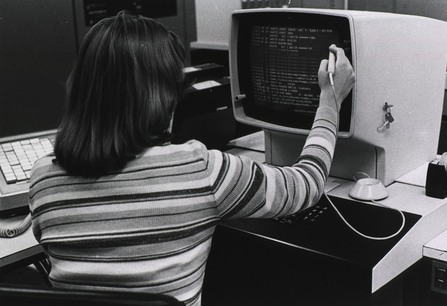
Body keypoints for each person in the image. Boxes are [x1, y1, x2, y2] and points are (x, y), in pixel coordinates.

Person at [29, 11, 355, 306]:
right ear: (162, 97)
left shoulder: (43, 176)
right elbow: (307, 184)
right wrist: (330, 100)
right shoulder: (198, 170)